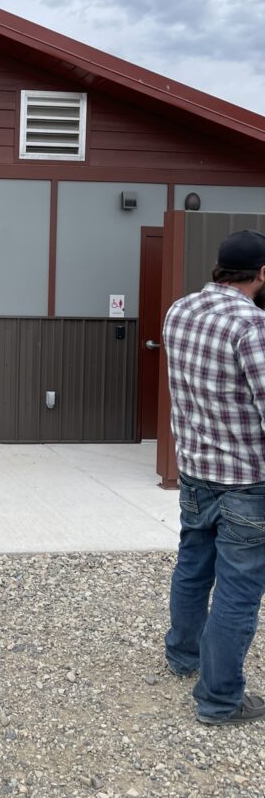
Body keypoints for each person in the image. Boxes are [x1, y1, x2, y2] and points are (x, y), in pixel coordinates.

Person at [163, 229, 265, 724]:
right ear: (262, 273)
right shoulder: (252, 325)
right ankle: (220, 698)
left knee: (192, 567)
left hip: (194, 471)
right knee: (238, 590)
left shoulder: (178, 313)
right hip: (246, 480)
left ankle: (184, 657)